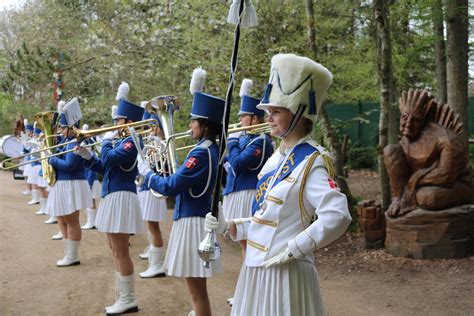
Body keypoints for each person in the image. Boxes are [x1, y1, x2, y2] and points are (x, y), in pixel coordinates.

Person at [205, 53, 352, 315]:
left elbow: (337, 215)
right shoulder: (275, 159)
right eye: (268, 112)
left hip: (287, 275)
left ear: (298, 113)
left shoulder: (312, 161)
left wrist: (296, 248)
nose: (269, 118)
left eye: (275, 112)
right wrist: (231, 225)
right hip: (256, 272)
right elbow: (268, 219)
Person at [137, 68, 223, 316]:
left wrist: (148, 172)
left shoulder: (200, 153)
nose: (190, 125)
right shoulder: (208, 149)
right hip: (194, 219)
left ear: (205, 125)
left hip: (192, 222)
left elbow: (171, 186)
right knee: (196, 289)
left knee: (197, 292)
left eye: (194, 121)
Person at [76, 82, 144, 315]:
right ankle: (124, 296)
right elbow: (105, 166)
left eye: (119, 120)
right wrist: (87, 156)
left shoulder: (132, 142)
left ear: (128, 122)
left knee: (121, 250)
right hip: (113, 194)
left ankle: (128, 298)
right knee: (115, 250)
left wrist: (104, 139)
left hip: (122, 196)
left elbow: (112, 159)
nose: (115, 123)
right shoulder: (120, 141)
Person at [222, 79, 273, 306]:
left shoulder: (261, 140)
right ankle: (247, 289)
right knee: (243, 243)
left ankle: (249, 291)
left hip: (249, 193)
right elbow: (228, 164)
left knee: (248, 243)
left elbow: (240, 163)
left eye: (244, 116)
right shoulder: (246, 138)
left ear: (254, 118)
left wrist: (232, 143)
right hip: (236, 191)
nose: (239, 120)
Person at [46, 98, 92, 267]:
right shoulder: (65, 141)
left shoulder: (75, 141)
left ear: (71, 127)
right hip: (64, 183)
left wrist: (51, 160)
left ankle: (73, 255)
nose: (60, 130)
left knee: (72, 220)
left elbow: (70, 165)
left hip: (72, 183)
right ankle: (69, 253)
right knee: (63, 219)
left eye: (63, 127)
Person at [137, 108, 168, 278]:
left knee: (154, 227)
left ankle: (157, 264)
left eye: (148, 127)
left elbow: (159, 166)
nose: (146, 132)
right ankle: (153, 253)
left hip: (153, 188)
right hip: (145, 187)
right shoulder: (148, 142)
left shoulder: (158, 143)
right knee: (150, 225)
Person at [81, 124, 101, 230]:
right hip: (89, 176)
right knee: (90, 200)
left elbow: (91, 167)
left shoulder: (90, 146)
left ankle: (92, 221)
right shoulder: (89, 144)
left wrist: (89, 182)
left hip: (91, 177)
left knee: (90, 200)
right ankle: (92, 221)